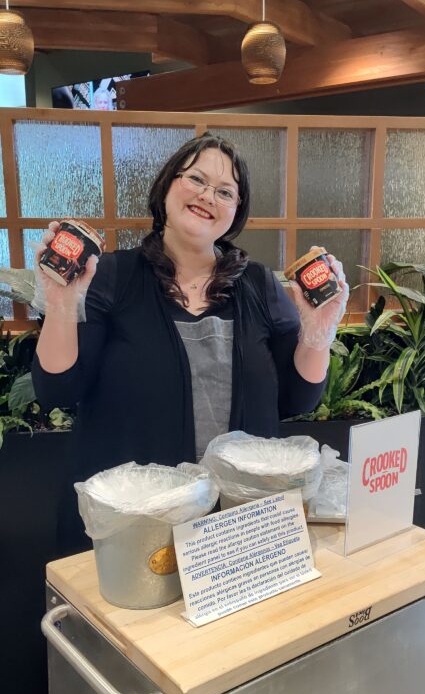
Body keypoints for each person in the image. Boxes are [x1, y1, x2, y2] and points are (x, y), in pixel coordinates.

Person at [32, 132, 348, 553]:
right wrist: (61, 303)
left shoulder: (260, 285)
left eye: (225, 191)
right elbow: (57, 389)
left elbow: (299, 399)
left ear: (236, 211)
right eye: (196, 179)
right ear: (167, 187)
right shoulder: (110, 275)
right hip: (135, 528)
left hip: (238, 529)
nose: (207, 196)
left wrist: (318, 330)